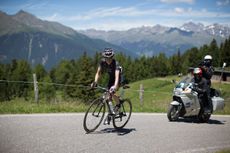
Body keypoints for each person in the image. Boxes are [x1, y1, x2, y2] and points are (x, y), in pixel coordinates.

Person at [91, 48, 122, 114]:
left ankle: (118, 104)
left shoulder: (116, 64)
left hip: (118, 78)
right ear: (104, 57)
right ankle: (111, 112)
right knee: (107, 95)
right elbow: (98, 73)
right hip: (111, 77)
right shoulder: (102, 62)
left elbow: (117, 77)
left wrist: (114, 86)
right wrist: (95, 82)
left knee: (112, 92)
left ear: (112, 57)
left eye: (110, 58)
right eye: (106, 58)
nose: (108, 59)